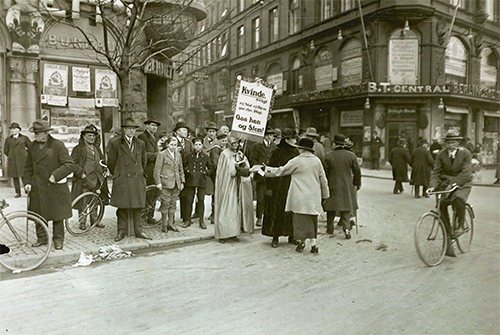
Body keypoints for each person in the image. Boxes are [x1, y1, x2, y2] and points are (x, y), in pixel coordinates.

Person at [263, 138, 329, 254]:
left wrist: (266, 169)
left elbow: (280, 171)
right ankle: (313, 243)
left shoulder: (297, 160)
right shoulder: (317, 161)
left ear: (301, 149)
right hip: (313, 196)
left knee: (299, 220)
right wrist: (325, 194)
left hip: (300, 196)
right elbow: (323, 179)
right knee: (312, 219)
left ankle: (302, 241)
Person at [23, 120, 74, 250]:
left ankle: (58, 240)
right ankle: (42, 238)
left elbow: (69, 165)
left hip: (54, 186)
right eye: (35, 133)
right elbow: (28, 167)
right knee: (38, 214)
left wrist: (55, 175)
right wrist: (27, 182)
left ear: (46, 133)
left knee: (57, 215)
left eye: (38, 133)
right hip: (38, 186)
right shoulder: (33, 146)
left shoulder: (57, 145)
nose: (36, 136)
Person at [107, 118, 151, 242]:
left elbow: (143, 160)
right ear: (124, 130)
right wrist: (119, 173)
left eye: (133, 129)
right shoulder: (116, 143)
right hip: (123, 179)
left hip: (137, 178)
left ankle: (139, 230)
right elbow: (111, 162)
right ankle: (121, 230)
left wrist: (140, 172)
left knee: (138, 206)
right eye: (129, 128)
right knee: (122, 207)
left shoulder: (140, 143)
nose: (131, 131)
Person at [428, 129, 472, 238]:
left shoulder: (465, 153)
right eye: (448, 143)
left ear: (458, 143)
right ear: (445, 144)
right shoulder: (441, 154)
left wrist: (453, 183)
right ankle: (448, 232)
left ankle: (461, 225)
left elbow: (466, 173)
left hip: (462, 183)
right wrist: (432, 186)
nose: (451, 145)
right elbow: (436, 171)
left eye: (453, 142)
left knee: (458, 199)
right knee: (441, 205)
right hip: (446, 183)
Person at [262, 128, 299, 248]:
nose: (295, 140)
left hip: (292, 185)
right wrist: (269, 188)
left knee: (292, 210)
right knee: (277, 210)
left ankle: (292, 235)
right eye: (293, 138)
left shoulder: (296, 153)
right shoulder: (277, 152)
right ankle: (275, 236)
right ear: (287, 139)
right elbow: (270, 170)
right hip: (278, 186)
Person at [214, 136, 254, 243]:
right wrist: (235, 168)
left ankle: (234, 232)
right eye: (233, 143)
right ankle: (223, 233)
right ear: (229, 144)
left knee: (236, 209)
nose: (235, 145)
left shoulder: (241, 154)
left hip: (238, 185)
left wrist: (243, 165)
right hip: (228, 185)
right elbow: (225, 172)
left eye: (237, 143)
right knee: (227, 207)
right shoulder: (224, 155)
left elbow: (247, 168)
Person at [322, 134, 361, 240]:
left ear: (334, 143)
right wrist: (357, 184)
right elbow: (357, 171)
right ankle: (346, 229)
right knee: (345, 206)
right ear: (344, 144)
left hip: (332, 184)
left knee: (331, 206)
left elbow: (324, 172)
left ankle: (330, 228)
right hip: (346, 184)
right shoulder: (351, 155)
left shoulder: (328, 156)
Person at [71, 125, 109, 230]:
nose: (92, 138)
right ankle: (82, 222)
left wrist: (105, 169)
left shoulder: (97, 149)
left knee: (95, 200)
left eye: (93, 136)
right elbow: (72, 163)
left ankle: (95, 220)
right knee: (84, 201)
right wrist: (81, 173)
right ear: (84, 136)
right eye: (89, 135)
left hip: (97, 178)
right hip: (84, 179)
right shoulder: (78, 149)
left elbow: (102, 161)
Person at [180, 138, 213, 229]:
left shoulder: (205, 156)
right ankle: (187, 220)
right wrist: (188, 171)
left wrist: (205, 173)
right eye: (196, 145)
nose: (197, 146)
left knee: (201, 200)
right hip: (191, 181)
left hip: (201, 181)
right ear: (193, 146)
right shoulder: (189, 156)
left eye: (199, 144)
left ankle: (201, 221)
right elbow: (183, 166)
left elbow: (211, 168)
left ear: (202, 146)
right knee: (189, 200)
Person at [154, 136, 184, 233]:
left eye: (175, 145)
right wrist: (158, 182)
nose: (173, 147)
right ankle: (164, 225)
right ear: (167, 144)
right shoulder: (162, 154)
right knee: (165, 204)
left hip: (176, 183)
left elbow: (181, 169)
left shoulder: (178, 155)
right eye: (171, 144)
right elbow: (157, 170)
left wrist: (182, 181)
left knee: (173, 204)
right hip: (165, 183)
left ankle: (171, 224)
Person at [249, 127, 276, 227]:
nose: (269, 137)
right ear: (264, 136)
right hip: (261, 176)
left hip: (271, 176)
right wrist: (259, 169)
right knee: (260, 197)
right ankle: (259, 217)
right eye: (268, 135)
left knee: (270, 197)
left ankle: (268, 217)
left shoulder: (274, 147)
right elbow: (253, 159)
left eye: (271, 135)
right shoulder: (257, 146)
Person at [4, 122, 31, 198]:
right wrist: (11, 155)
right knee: (15, 177)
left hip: (23, 160)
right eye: (11, 129)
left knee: (24, 176)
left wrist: (26, 155)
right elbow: (5, 150)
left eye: (14, 129)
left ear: (19, 130)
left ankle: (27, 190)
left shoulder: (24, 138)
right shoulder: (8, 140)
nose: (12, 130)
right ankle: (18, 192)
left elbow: (31, 148)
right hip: (13, 161)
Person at [207, 131, 228, 224]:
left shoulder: (224, 149)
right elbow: (216, 164)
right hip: (217, 175)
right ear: (218, 141)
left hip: (222, 174)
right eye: (223, 141)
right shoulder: (216, 149)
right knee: (216, 194)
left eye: (225, 141)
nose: (224, 143)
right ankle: (214, 215)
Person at [138, 116, 161, 187]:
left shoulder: (156, 137)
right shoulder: (142, 137)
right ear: (147, 126)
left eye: (156, 126)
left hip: (154, 168)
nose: (155, 128)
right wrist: (156, 155)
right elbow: (140, 154)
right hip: (146, 168)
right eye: (153, 125)